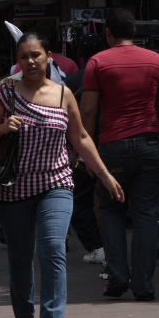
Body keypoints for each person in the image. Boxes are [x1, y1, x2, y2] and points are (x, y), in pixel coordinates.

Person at [0, 32, 124, 318]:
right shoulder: (6, 92)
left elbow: (81, 138)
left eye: (36, 55)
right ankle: (24, 317)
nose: (30, 61)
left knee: (52, 249)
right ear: (17, 61)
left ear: (49, 58)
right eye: (23, 57)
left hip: (56, 184)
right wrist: (3, 128)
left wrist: (104, 174)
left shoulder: (63, 94)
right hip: (13, 188)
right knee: (20, 257)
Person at [81, 8, 159, 301]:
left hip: (112, 147)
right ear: (134, 32)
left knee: (110, 210)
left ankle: (117, 277)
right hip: (151, 144)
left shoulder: (97, 62)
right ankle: (144, 286)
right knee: (146, 214)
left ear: (108, 34)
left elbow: (88, 110)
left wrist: (87, 151)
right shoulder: (156, 60)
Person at [64, 34, 107, 265]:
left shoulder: (72, 81)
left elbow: (77, 116)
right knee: (114, 197)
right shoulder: (111, 74)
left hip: (84, 147)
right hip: (113, 143)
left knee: (79, 199)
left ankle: (97, 246)